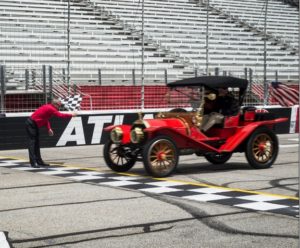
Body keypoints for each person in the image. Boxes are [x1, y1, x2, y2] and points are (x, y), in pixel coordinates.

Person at [25, 98, 77, 168]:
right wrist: (71, 115)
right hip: (31, 124)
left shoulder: (49, 107)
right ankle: (33, 163)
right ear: (55, 104)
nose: (59, 107)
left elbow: (45, 119)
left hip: (34, 124)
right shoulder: (51, 109)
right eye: (59, 105)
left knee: (36, 144)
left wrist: (49, 128)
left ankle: (39, 161)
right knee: (32, 144)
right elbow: (60, 115)